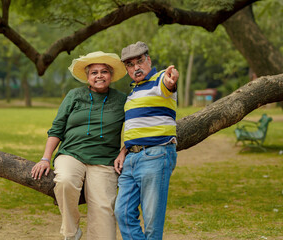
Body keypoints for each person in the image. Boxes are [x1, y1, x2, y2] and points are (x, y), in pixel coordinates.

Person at [31, 51, 127, 240]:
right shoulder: (75, 95)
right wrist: (45, 158)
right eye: (94, 72)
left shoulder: (122, 100)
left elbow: (135, 128)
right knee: (65, 181)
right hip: (71, 155)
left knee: (105, 222)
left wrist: (124, 151)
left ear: (111, 75)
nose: (99, 75)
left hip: (105, 161)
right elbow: (57, 129)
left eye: (104, 71)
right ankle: (72, 232)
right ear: (87, 77)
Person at [114, 41, 179, 240]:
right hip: (131, 159)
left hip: (155, 154)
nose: (136, 67)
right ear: (126, 69)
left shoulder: (159, 79)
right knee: (122, 212)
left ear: (148, 60)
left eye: (140, 61)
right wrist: (124, 151)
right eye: (130, 65)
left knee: (151, 221)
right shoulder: (133, 91)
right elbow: (135, 128)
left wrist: (171, 80)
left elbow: (168, 84)